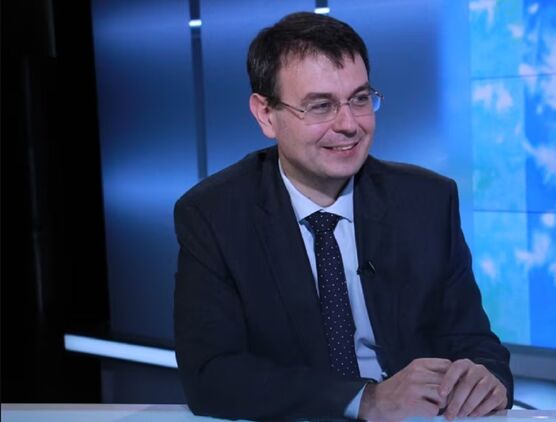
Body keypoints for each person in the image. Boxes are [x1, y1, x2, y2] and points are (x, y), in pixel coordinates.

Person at [173, 11, 513, 421]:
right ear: (265, 114)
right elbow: (211, 375)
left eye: (360, 99)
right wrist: (365, 400)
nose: (349, 124)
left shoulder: (427, 201)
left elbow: (475, 342)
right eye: (321, 106)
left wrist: (486, 376)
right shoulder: (214, 215)